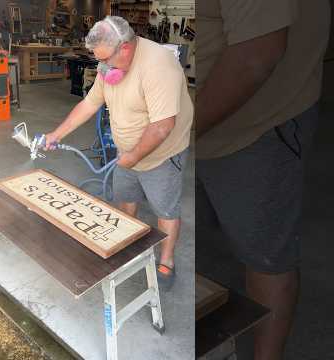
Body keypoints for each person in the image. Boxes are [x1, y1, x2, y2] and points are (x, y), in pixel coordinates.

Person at [196, 1, 331, 359]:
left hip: (255, 126)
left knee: (266, 256)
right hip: (200, 129)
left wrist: (181, 131)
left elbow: (257, 55)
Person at [44, 16, 193, 289]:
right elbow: (88, 105)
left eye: (107, 59)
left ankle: (167, 261)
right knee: (126, 198)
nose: (103, 67)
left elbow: (162, 126)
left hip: (162, 154)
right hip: (126, 151)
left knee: (165, 209)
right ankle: (127, 243)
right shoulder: (107, 67)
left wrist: (134, 157)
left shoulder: (159, 66)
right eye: (99, 59)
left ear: (124, 48)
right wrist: (56, 134)